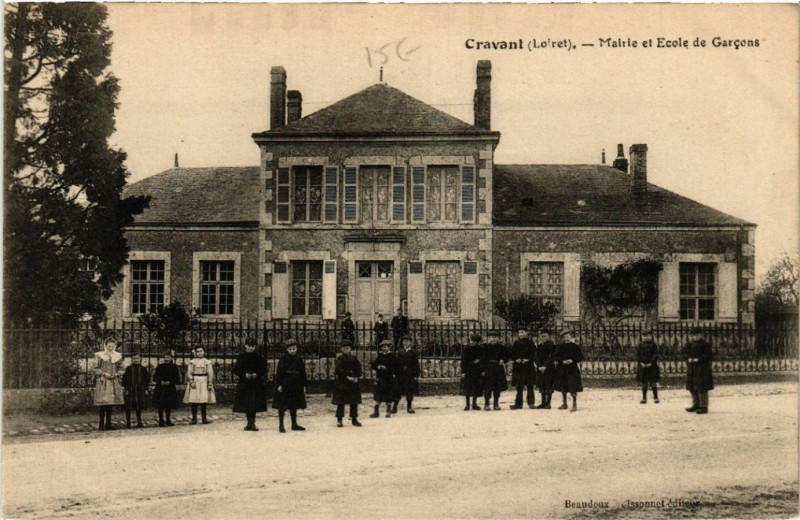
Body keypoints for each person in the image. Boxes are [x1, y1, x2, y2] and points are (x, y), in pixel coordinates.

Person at [233, 338, 269, 431]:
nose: (250, 348)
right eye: (249, 345)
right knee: (246, 403)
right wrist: (244, 375)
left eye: (252, 346)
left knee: (254, 403)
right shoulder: (241, 357)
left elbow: (264, 369)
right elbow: (236, 370)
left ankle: (252, 423)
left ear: (255, 347)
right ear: (245, 345)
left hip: (256, 383)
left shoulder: (258, 357)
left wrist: (256, 374)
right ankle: (249, 423)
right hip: (244, 383)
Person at [273, 338, 308, 432]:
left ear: (296, 349)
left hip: (296, 385)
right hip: (285, 385)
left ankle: (294, 424)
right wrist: (279, 384)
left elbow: (302, 373)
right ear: (287, 350)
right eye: (290, 349)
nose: (292, 351)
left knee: (294, 405)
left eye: (294, 348)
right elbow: (280, 372)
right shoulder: (283, 359)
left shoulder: (299, 359)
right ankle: (281, 425)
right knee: (282, 405)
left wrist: (304, 385)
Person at [92, 337, 125, 431]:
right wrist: (103, 373)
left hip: (113, 381)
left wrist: (117, 374)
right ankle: (101, 424)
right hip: (104, 381)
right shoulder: (100, 355)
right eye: (109, 346)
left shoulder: (117, 356)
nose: (110, 348)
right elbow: (95, 368)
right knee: (103, 403)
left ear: (114, 346)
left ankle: (108, 423)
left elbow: (121, 368)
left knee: (110, 403)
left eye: (112, 346)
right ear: (105, 346)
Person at [331, 339, 363, 427]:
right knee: (341, 402)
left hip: (353, 383)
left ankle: (354, 419)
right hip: (343, 382)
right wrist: (347, 376)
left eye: (347, 348)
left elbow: (358, 369)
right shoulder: (340, 359)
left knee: (354, 401)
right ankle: (339, 419)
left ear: (350, 349)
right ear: (341, 349)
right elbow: (338, 370)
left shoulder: (354, 359)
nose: (346, 350)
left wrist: (356, 377)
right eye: (344, 348)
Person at [184, 346, 216, 424]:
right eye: (197, 351)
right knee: (194, 400)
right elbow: (189, 373)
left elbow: (210, 373)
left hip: (204, 381)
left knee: (203, 400)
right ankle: (194, 418)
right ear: (195, 353)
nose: (199, 353)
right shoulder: (192, 362)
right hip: (195, 380)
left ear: (204, 351)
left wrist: (209, 383)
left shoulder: (207, 362)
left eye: (201, 351)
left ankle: (204, 418)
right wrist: (191, 381)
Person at [553, 331, 584, 412]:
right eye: (564, 337)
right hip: (562, 369)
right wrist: (562, 361)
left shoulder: (575, 346)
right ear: (562, 338)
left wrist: (572, 360)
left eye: (568, 337)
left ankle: (574, 404)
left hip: (572, 369)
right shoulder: (559, 347)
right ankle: (564, 403)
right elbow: (555, 357)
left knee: (573, 385)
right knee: (563, 386)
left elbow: (580, 356)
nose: (566, 338)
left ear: (570, 337)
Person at [685, 327, 714, 414]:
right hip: (692, 369)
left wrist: (698, 359)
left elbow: (709, 356)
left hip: (702, 369)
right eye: (693, 335)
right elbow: (685, 353)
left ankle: (703, 406)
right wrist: (688, 358)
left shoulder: (705, 345)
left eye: (697, 335)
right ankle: (696, 404)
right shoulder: (689, 344)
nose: (695, 337)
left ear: (701, 335)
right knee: (692, 386)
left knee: (702, 387)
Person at [370, 340, 399, 418]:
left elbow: (395, 368)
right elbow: (373, 365)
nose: (384, 349)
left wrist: (386, 368)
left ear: (389, 347)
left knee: (388, 395)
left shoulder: (392, 356)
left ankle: (388, 411)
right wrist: (378, 367)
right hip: (380, 378)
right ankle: (376, 412)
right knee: (378, 395)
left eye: (385, 347)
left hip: (388, 378)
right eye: (382, 347)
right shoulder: (380, 356)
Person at [152, 351, 180, 427]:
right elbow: (155, 377)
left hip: (170, 388)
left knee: (169, 404)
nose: (166, 359)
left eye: (168, 357)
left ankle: (168, 419)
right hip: (160, 388)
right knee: (161, 405)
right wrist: (160, 381)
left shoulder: (174, 367)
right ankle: (161, 420)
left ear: (171, 358)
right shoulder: (160, 366)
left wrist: (170, 382)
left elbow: (177, 378)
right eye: (165, 357)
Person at [510, 329, 537, 409]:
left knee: (530, 386)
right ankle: (518, 404)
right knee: (519, 386)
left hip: (528, 366)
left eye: (522, 332)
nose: (520, 334)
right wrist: (516, 359)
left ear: (527, 333)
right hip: (518, 367)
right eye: (519, 332)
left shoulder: (530, 343)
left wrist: (528, 359)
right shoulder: (516, 343)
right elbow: (512, 354)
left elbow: (534, 354)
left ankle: (531, 403)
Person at [394, 334, 421, 413]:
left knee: (409, 391)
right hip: (400, 374)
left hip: (409, 375)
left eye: (407, 342)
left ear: (410, 343)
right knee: (398, 391)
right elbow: (396, 364)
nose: (406, 343)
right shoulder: (399, 352)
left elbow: (416, 364)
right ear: (402, 343)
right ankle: (395, 406)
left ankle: (409, 407)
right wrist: (395, 373)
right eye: (404, 341)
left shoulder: (413, 353)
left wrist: (416, 375)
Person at [482, 331, 509, 411]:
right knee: (487, 387)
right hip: (488, 369)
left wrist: (503, 360)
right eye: (491, 337)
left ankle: (496, 403)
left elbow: (506, 357)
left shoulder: (501, 347)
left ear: (498, 338)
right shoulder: (485, 347)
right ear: (488, 338)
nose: (493, 339)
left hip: (498, 369)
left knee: (497, 387)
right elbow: (482, 359)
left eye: (494, 337)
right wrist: (483, 370)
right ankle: (486, 403)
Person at [122, 353, 150, 428]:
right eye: (134, 359)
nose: (136, 360)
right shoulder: (129, 368)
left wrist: (146, 388)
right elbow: (125, 379)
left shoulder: (143, 369)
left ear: (140, 359)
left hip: (140, 389)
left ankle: (139, 421)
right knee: (129, 406)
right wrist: (126, 388)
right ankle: (128, 422)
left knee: (139, 406)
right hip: (131, 389)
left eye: (137, 358)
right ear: (132, 359)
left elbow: (147, 379)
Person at [459, 334, 484, 410]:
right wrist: (463, 371)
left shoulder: (480, 349)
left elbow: (482, 359)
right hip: (468, 371)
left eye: (474, 341)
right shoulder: (466, 349)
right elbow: (463, 361)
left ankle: (474, 404)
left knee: (475, 388)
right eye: (471, 341)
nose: (472, 342)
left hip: (476, 371)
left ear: (477, 342)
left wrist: (481, 366)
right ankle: (467, 404)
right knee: (467, 388)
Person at [636, 329, 661, 404]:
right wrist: (641, 362)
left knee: (653, 382)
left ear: (651, 336)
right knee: (644, 383)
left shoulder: (653, 345)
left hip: (652, 366)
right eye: (644, 336)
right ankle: (644, 398)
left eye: (648, 335)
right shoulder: (640, 345)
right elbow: (638, 355)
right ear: (642, 337)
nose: (646, 337)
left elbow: (655, 354)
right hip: (643, 366)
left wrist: (652, 363)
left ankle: (656, 397)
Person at [535, 329, 556, 409]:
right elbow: (536, 357)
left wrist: (545, 366)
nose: (542, 338)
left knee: (549, 385)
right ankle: (543, 403)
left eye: (544, 336)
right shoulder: (539, 346)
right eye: (541, 336)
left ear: (549, 337)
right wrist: (539, 366)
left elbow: (551, 357)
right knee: (542, 384)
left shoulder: (551, 346)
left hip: (549, 368)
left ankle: (548, 403)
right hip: (540, 368)